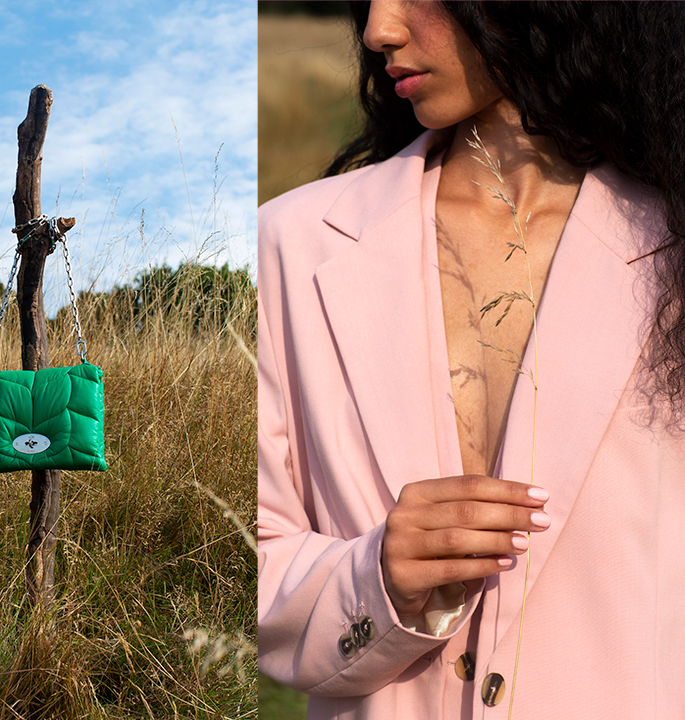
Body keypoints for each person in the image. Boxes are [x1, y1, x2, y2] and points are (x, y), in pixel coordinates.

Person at [252, 2, 685, 718]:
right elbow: (246, 563)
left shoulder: (671, 245)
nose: (377, 31)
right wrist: (375, 578)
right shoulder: (290, 245)